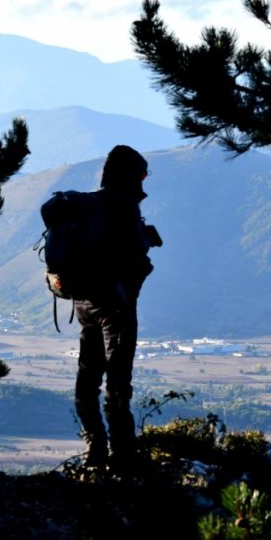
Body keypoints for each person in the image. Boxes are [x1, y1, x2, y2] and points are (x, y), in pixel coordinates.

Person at [74, 145, 161, 475]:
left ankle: (94, 451)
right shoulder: (124, 208)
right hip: (117, 307)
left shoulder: (89, 206)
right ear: (132, 174)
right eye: (142, 173)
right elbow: (133, 257)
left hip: (84, 305)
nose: (144, 179)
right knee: (117, 382)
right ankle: (123, 457)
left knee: (87, 380)